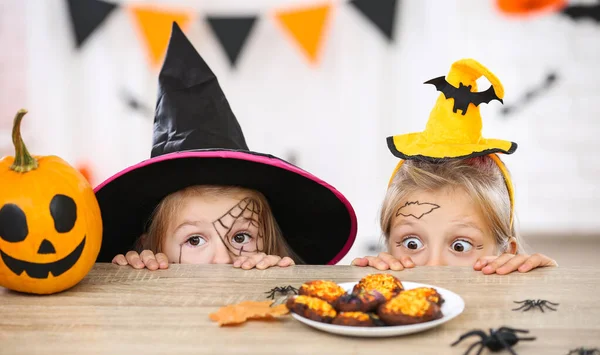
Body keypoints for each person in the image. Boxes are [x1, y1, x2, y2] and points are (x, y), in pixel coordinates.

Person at [94, 23, 357, 270]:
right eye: (194, 240)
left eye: (242, 236)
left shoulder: (280, 285)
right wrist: (135, 279)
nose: (222, 259)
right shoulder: (145, 271)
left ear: (270, 243)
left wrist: (279, 282)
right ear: (151, 247)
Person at [352, 59, 556, 275]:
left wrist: (541, 283)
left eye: (460, 246)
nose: (434, 266)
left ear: (505, 254)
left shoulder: (518, 295)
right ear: (388, 247)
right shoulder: (375, 297)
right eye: (411, 243)